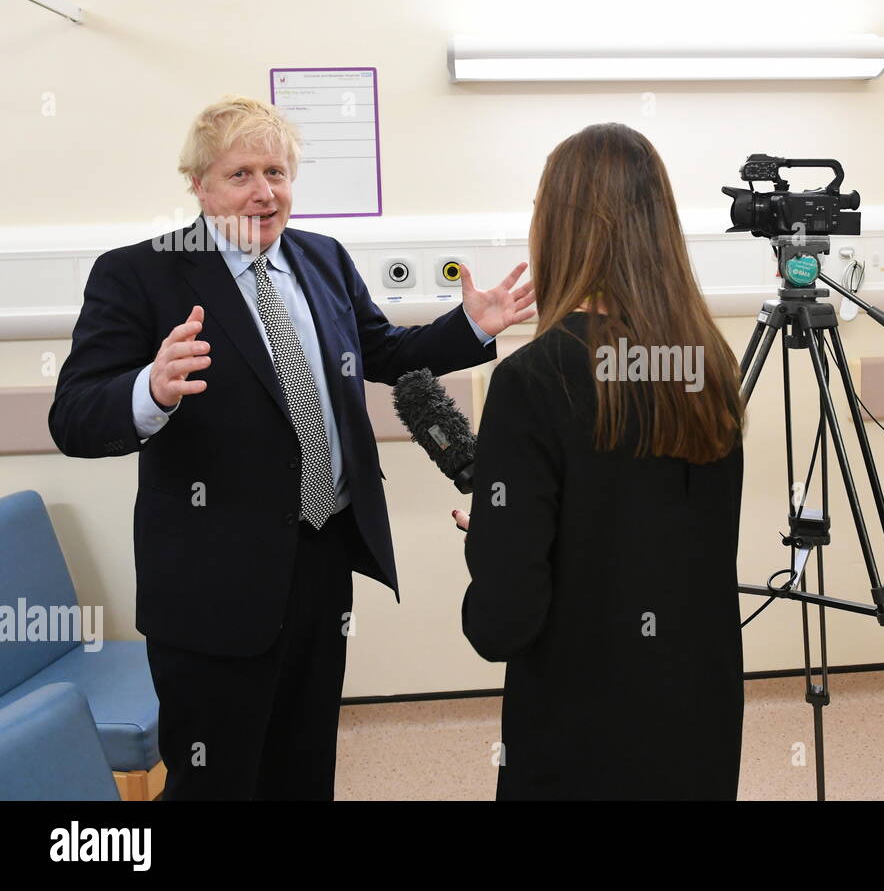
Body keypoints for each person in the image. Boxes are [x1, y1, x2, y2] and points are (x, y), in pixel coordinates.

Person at [48, 96, 535, 799]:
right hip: (212, 583)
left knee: (303, 769)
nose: (263, 191)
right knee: (218, 782)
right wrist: (149, 389)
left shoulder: (322, 258)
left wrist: (469, 327)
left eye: (276, 171)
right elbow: (72, 416)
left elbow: (384, 352)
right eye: (240, 172)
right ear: (199, 184)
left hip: (321, 554)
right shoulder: (139, 274)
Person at [457, 122, 746, 800]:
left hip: (579, 733)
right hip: (696, 717)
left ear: (559, 228)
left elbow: (502, 622)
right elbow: (662, 535)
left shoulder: (532, 380)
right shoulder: (710, 365)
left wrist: (503, 545)